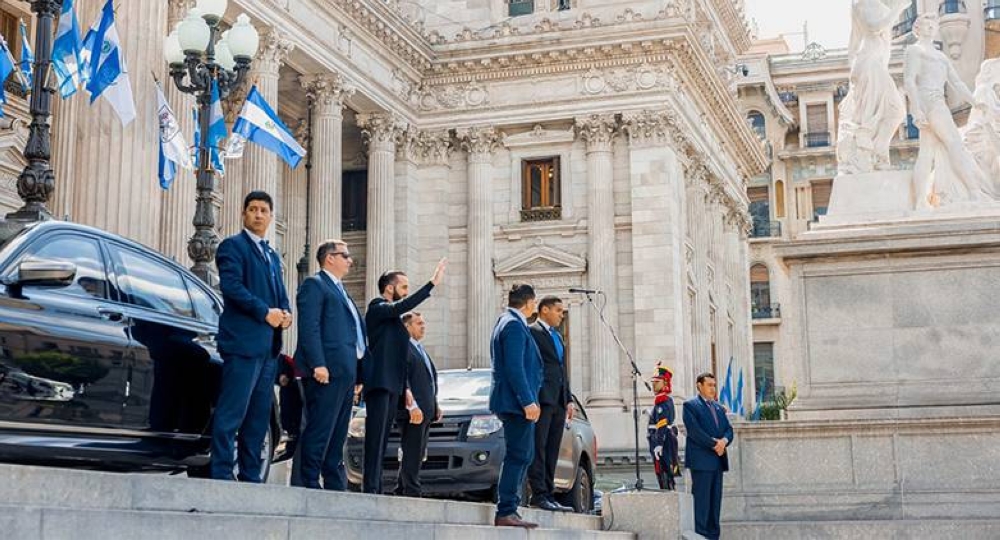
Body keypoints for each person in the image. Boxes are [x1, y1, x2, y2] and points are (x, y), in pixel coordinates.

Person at [210, 191, 292, 482]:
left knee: (258, 418)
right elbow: (232, 287)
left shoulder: (271, 255)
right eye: (253, 209)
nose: (258, 214)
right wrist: (264, 312)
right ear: (243, 214)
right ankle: (220, 471)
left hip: (268, 349)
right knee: (232, 412)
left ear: (270, 216)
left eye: (264, 210)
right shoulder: (232, 247)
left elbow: (281, 294)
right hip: (242, 344)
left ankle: (250, 475)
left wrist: (286, 313)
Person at [362, 261, 446, 494]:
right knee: (375, 438)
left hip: (393, 386)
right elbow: (403, 306)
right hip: (379, 383)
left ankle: (376, 488)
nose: (407, 292)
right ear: (390, 288)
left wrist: (406, 390)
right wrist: (431, 284)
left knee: (383, 440)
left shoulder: (393, 318)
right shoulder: (377, 307)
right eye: (404, 287)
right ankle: (370, 489)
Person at [294, 239, 367, 490]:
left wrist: (358, 375)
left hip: (346, 373)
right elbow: (309, 327)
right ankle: (309, 480)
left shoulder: (341, 290)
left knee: (337, 433)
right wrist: (317, 364)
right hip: (326, 371)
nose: (350, 260)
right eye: (344, 255)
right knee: (320, 428)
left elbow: (354, 335)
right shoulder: (314, 285)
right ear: (329, 258)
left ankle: (334, 483)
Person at [905, 13, 996, 208]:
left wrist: (974, 102)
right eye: (926, 25)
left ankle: (921, 201)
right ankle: (974, 192)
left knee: (927, 152)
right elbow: (909, 81)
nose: (931, 28)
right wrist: (915, 109)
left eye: (933, 26)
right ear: (917, 29)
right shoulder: (914, 51)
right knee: (955, 144)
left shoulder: (941, 57)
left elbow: (957, 83)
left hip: (936, 102)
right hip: (931, 102)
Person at [489, 284, 543, 529]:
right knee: (518, 454)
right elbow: (514, 367)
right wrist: (527, 400)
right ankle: (507, 510)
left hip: (514, 402)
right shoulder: (512, 324)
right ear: (530, 302)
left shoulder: (509, 321)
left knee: (523, 454)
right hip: (515, 403)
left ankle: (512, 508)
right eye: (534, 303)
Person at [836, 0, 910, 174]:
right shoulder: (863, 3)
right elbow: (874, 27)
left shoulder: (876, 3)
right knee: (893, 110)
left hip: (874, 64)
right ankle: (871, 155)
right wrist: (899, 8)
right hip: (869, 64)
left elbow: (860, 40)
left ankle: (877, 155)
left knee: (889, 112)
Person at [526, 296, 574, 512]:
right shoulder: (532, 332)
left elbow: (561, 370)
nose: (561, 315)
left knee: (553, 448)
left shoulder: (557, 336)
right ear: (544, 310)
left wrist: (569, 398)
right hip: (542, 399)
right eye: (558, 311)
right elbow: (531, 366)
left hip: (558, 401)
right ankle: (538, 493)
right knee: (539, 446)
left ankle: (548, 492)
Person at [393, 311, 440, 497]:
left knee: (417, 451)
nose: (423, 326)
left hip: (426, 410)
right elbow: (403, 378)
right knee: (412, 451)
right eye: (418, 323)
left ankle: (401, 487)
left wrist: (435, 404)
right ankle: (412, 489)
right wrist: (412, 406)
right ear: (407, 327)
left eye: (423, 322)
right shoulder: (403, 347)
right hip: (413, 411)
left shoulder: (419, 349)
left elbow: (429, 381)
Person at [683, 373, 734, 540]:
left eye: (714, 385)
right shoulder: (690, 405)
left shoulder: (719, 408)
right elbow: (695, 432)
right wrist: (715, 444)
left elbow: (729, 429)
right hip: (702, 462)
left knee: (714, 505)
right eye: (709, 385)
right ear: (699, 385)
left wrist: (724, 441)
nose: (713, 388)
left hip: (718, 462)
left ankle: (714, 537)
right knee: (702, 504)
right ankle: (701, 536)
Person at [647, 362, 680, 491]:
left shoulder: (662, 400)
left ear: (665, 382)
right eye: (653, 382)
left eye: (657, 382)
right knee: (663, 471)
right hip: (663, 439)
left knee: (664, 472)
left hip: (662, 441)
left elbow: (662, 423)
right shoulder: (665, 400)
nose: (654, 384)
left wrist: (659, 443)